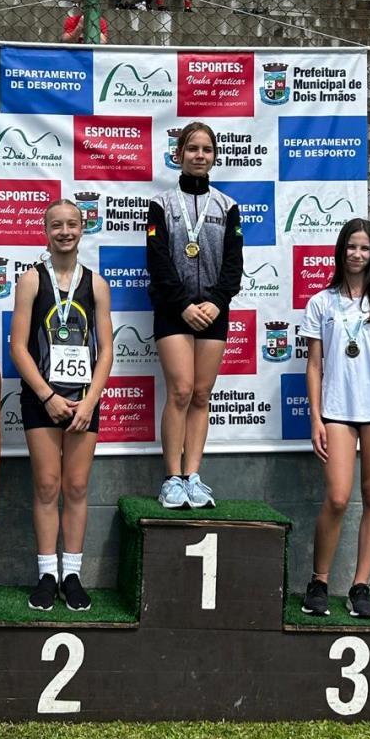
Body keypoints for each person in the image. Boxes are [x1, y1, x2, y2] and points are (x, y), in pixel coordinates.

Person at [299, 218, 370, 620]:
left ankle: (360, 586)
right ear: (341, 250)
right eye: (351, 247)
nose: (357, 254)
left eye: (364, 248)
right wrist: (315, 417)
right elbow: (314, 365)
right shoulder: (321, 302)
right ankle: (319, 582)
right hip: (336, 413)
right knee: (337, 497)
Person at [10, 200, 113, 612]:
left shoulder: (97, 284)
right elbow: (18, 346)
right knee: (47, 485)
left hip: (84, 400)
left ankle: (72, 573)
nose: (65, 231)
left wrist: (90, 401)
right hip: (42, 399)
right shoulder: (31, 281)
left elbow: (106, 350)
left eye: (72, 224)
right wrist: (47, 396)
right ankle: (46, 574)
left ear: (82, 229)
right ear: (45, 230)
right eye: (57, 225)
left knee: (76, 487)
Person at [146, 122, 243, 510]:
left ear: (215, 156)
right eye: (192, 149)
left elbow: (234, 265)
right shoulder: (162, 204)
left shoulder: (227, 206)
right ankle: (171, 478)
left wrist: (217, 301)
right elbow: (157, 261)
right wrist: (184, 303)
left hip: (214, 310)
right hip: (174, 309)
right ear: (179, 154)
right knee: (181, 390)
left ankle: (193, 476)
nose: (199, 155)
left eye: (206, 149)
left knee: (202, 394)